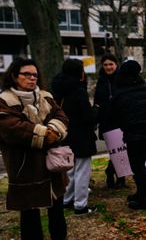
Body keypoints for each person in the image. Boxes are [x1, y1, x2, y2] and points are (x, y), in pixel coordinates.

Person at [0, 58, 69, 240]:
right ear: (15, 76)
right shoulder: (5, 100)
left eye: (35, 75)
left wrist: (54, 129)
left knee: (57, 213)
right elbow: (12, 129)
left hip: (52, 165)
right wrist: (45, 134)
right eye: (27, 74)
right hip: (24, 166)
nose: (32, 78)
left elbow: (61, 116)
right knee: (29, 217)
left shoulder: (45, 96)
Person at [51, 59, 98, 215]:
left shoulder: (56, 88)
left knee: (69, 170)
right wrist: (96, 111)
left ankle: (66, 199)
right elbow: (88, 116)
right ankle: (80, 205)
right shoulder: (78, 90)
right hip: (82, 137)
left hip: (64, 135)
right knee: (82, 171)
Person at [110, 60, 146, 210]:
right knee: (139, 165)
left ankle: (144, 200)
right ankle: (141, 193)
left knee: (137, 167)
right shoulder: (143, 86)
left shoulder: (121, 90)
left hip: (133, 133)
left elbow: (116, 114)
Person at [94, 53, 126, 189]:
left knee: (121, 150)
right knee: (115, 151)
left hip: (121, 120)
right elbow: (97, 99)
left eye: (110, 64)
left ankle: (116, 175)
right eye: (106, 64)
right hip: (107, 121)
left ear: (116, 65)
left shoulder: (122, 79)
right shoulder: (101, 80)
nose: (108, 67)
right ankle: (115, 175)